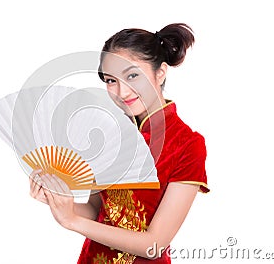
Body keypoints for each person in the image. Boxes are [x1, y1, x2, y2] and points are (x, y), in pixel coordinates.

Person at [29, 23, 209, 263]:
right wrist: (61, 202)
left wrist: (73, 221)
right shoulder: (108, 133)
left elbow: (153, 245)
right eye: (110, 80)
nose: (122, 91)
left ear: (161, 72)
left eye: (132, 75)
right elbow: (96, 211)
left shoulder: (187, 144)